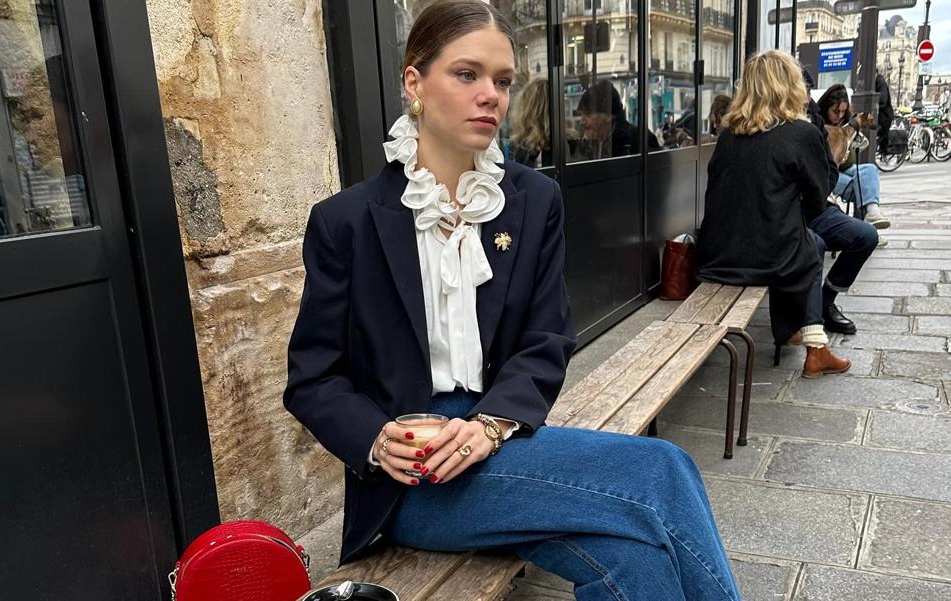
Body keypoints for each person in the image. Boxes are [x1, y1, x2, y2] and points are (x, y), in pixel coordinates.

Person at [284, 3, 742, 600]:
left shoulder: (533, 200)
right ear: (414, 83)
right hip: (412, 478)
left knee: (633, 560)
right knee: (662, 471)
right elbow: (312, 378)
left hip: (502, 439)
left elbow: (546, 338)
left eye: (502, 81)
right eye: (467, 74)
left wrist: (491, 425)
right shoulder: (344, 221)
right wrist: (377, 440)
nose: (491, 96)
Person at [697, 50, 850, 378]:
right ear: (790, 85)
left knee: (802, 244)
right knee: (807, 247)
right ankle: (814, 346)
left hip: (716, 254)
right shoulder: (802, 133)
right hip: (768, 257)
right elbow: (816, 200)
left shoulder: (728, 136)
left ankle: (796, 334)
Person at [801, 74, 882, 335]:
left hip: (814, 201)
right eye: (836, 110)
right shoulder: (803, 125)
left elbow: (828, 171)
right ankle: (810, 329)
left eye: (807, 90)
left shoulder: (812, 121)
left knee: (866, 234)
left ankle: (826, 301)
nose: (838, 114)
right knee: (813, 244)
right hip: (790, 213)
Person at [817, 83, 890, 229]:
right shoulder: (819, 125)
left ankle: (872, 212)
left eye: (843, 112)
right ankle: (865, 229)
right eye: (835, 111)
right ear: (826, 107)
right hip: (827, 172)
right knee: (862, 188)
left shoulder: (846, 123)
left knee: (869, 169)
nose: (839, 115)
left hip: (845, 168)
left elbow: (849, 160)